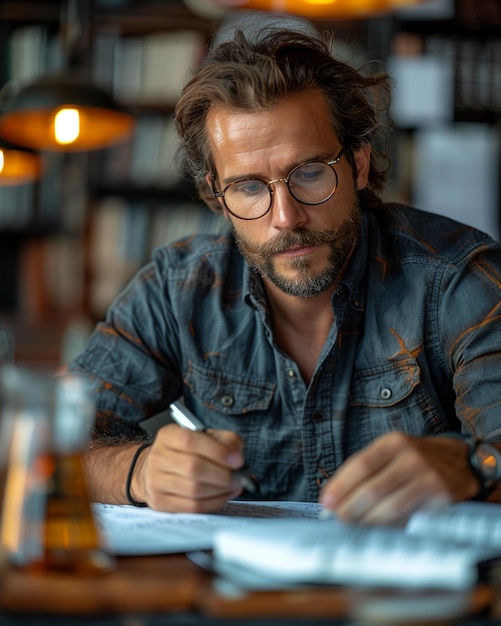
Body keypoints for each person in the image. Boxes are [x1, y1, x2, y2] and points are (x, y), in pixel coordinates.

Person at [71, 26, 501, 526]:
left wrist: (474, 467)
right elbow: (52, 444)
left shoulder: (457, 281)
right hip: (232, 598)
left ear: (358, 166)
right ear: (218, 196)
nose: (286, 218)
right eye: (250, 187)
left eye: (311, 172)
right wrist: (140, 472)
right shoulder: (177, 289)